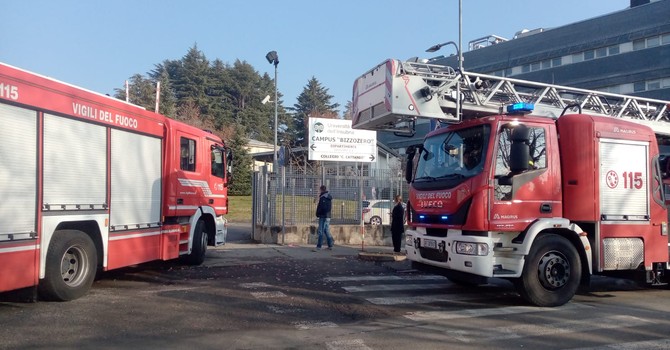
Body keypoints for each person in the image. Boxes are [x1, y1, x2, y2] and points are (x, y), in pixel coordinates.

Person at [313, 185, 334, 251]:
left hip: (323, 216)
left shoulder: (323, 197)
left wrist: (318, 213)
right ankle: (330, 245)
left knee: (321, 231)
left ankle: (319, 246)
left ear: (321, 190)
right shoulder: (328, 197)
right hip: (328, 216)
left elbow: (322, 207)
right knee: (326, 230)